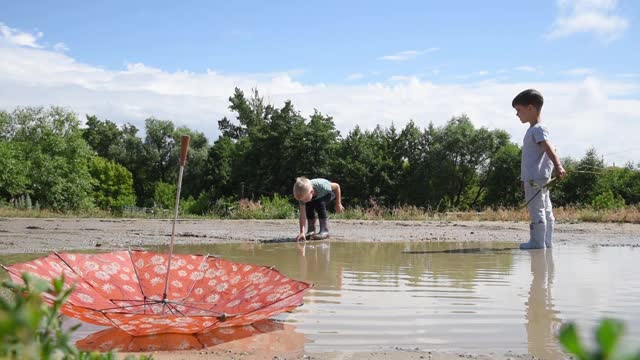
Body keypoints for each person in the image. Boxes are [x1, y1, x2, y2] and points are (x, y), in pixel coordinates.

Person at [513, 89, 567, 249]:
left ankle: (537, 243)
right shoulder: (537, 129)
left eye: (518, 110)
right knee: (546, 208)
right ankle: (546, 242)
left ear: (530, 108)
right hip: (539, 177)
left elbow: (549, 148)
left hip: (535, 177)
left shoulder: (537, 129)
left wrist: (558, 166)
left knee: (536, 209)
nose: (517, 115)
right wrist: (523, 179)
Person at [293, 177, 344, 241]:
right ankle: (311, 230)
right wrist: (302, 232)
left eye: (305, 199)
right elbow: (302, 214)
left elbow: (337, 186)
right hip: (315, 196)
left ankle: (325, 230)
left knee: (319, 203)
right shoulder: (303, 195)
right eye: (302, 200)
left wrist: (338, 203)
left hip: (329, 193)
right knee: (308, 205)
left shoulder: (323, 186)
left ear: (312, 192)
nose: (304, 201)